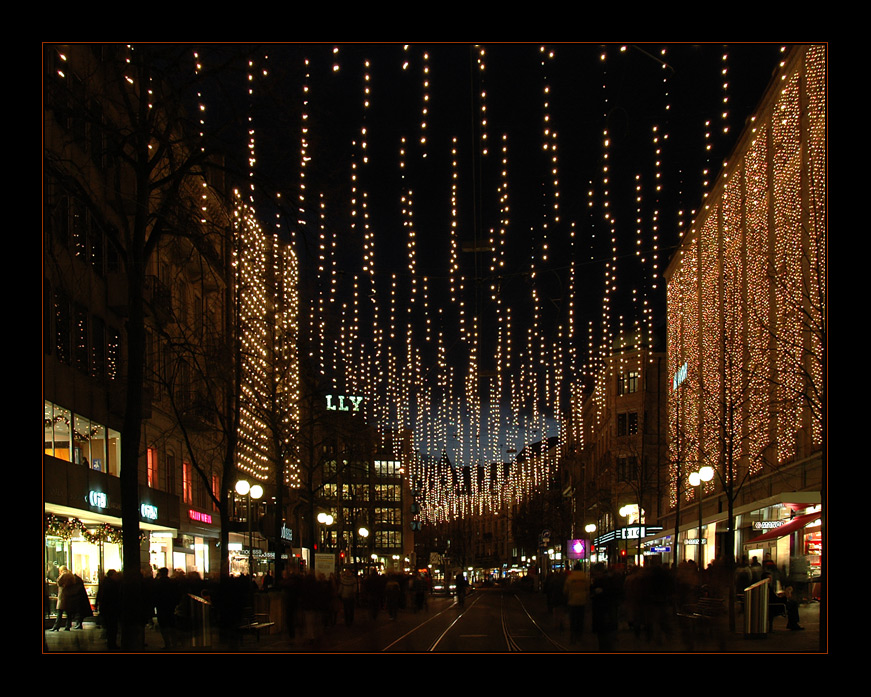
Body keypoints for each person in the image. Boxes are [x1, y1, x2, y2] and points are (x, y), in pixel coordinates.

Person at [563, 562, 590, 643]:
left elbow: (565, 590)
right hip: (582, 601)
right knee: (580, 619)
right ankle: (579, 635)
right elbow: (588, 589)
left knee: (573, 619)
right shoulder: (584, 577)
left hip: (572, 600)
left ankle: (572, 635)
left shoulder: (570, 578)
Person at [96, 569, 121, 650]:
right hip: (111, 609)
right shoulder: (111, 584)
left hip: (107, 609)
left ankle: (111, 643)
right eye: (115, 575)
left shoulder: (105, 583)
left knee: (110, 627)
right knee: (112, 628)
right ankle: (111, 644)